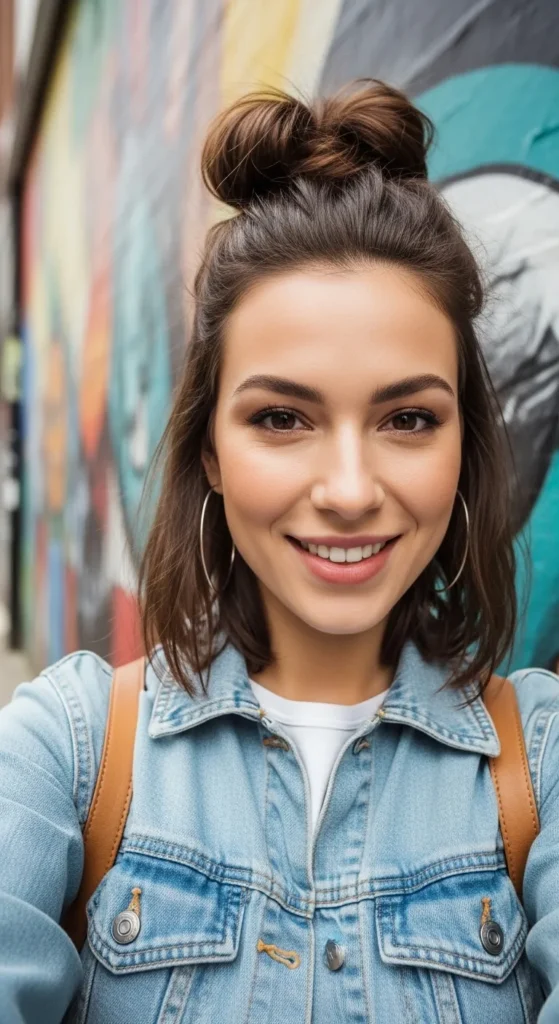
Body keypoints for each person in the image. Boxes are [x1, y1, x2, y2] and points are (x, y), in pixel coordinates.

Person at [0, 80, 558, 1024]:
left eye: (408, 418)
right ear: (211, 451)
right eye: (282, 418)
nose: (347, 490)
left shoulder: (538, 764)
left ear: (464, 447)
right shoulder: (70, 750)